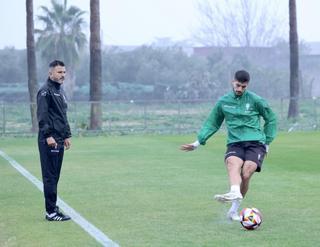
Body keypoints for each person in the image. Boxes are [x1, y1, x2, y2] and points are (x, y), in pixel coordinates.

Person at [180, 70, 277, 221]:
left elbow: (271, 119)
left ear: (247, 85)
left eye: (243, 87)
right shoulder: (223, 102)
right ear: (232, 81)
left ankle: (233, 210)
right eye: (238, 85)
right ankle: (233, 191)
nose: (239, 89)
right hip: (235, 143)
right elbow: (212, 123)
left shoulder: (256, 100)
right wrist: (198, 142)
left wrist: (267, 142)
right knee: (233, 164)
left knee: (246, 173)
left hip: (255, 143)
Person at [37, 60, 72, 221]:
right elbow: (42, 116)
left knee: (55, 176)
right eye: (59, 72)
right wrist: (48, 136)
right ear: (50, 73)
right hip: (49, 140)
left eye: (64, 72)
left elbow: (61, 116)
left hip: (59, 139)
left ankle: (53, 208)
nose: (62, 75)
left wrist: (66, 135)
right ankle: (51, 212)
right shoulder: (45, 91)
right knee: (50, 177)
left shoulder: (61, 91)